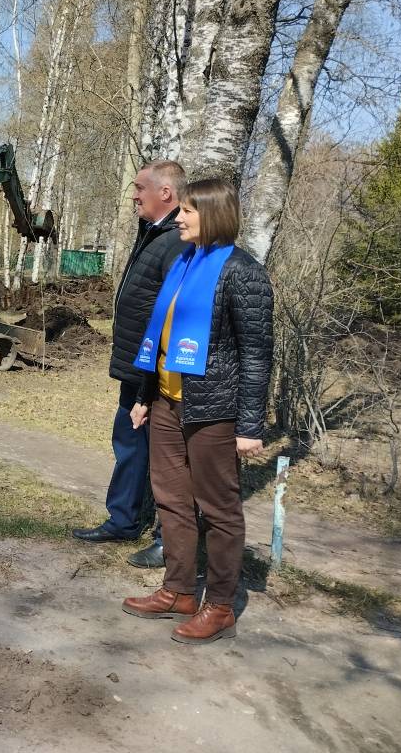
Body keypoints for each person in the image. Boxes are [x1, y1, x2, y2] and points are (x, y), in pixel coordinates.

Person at [121, 178, 274, 644]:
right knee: (171, 500)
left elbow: (256, 354)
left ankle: (221, 606)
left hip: (215, 409)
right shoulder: (183, 263)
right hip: (167, 403)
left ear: (214, 215)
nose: (180, 218)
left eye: (188, 211)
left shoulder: (242, 273)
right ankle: (178, 591)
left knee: (220, 509)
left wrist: (249, 426)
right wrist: (145, 397)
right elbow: (159, 336)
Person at [74, 160, 188, 568]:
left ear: (165, 193)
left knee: (166, 457)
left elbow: (171, 316)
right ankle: (122, 520)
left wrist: (149, 381)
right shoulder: (153, 234)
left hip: (156, 375)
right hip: (135, 368)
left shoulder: (177, 241)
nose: (134, 195)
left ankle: (165, 538)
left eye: (140, 188)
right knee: (128, 444)